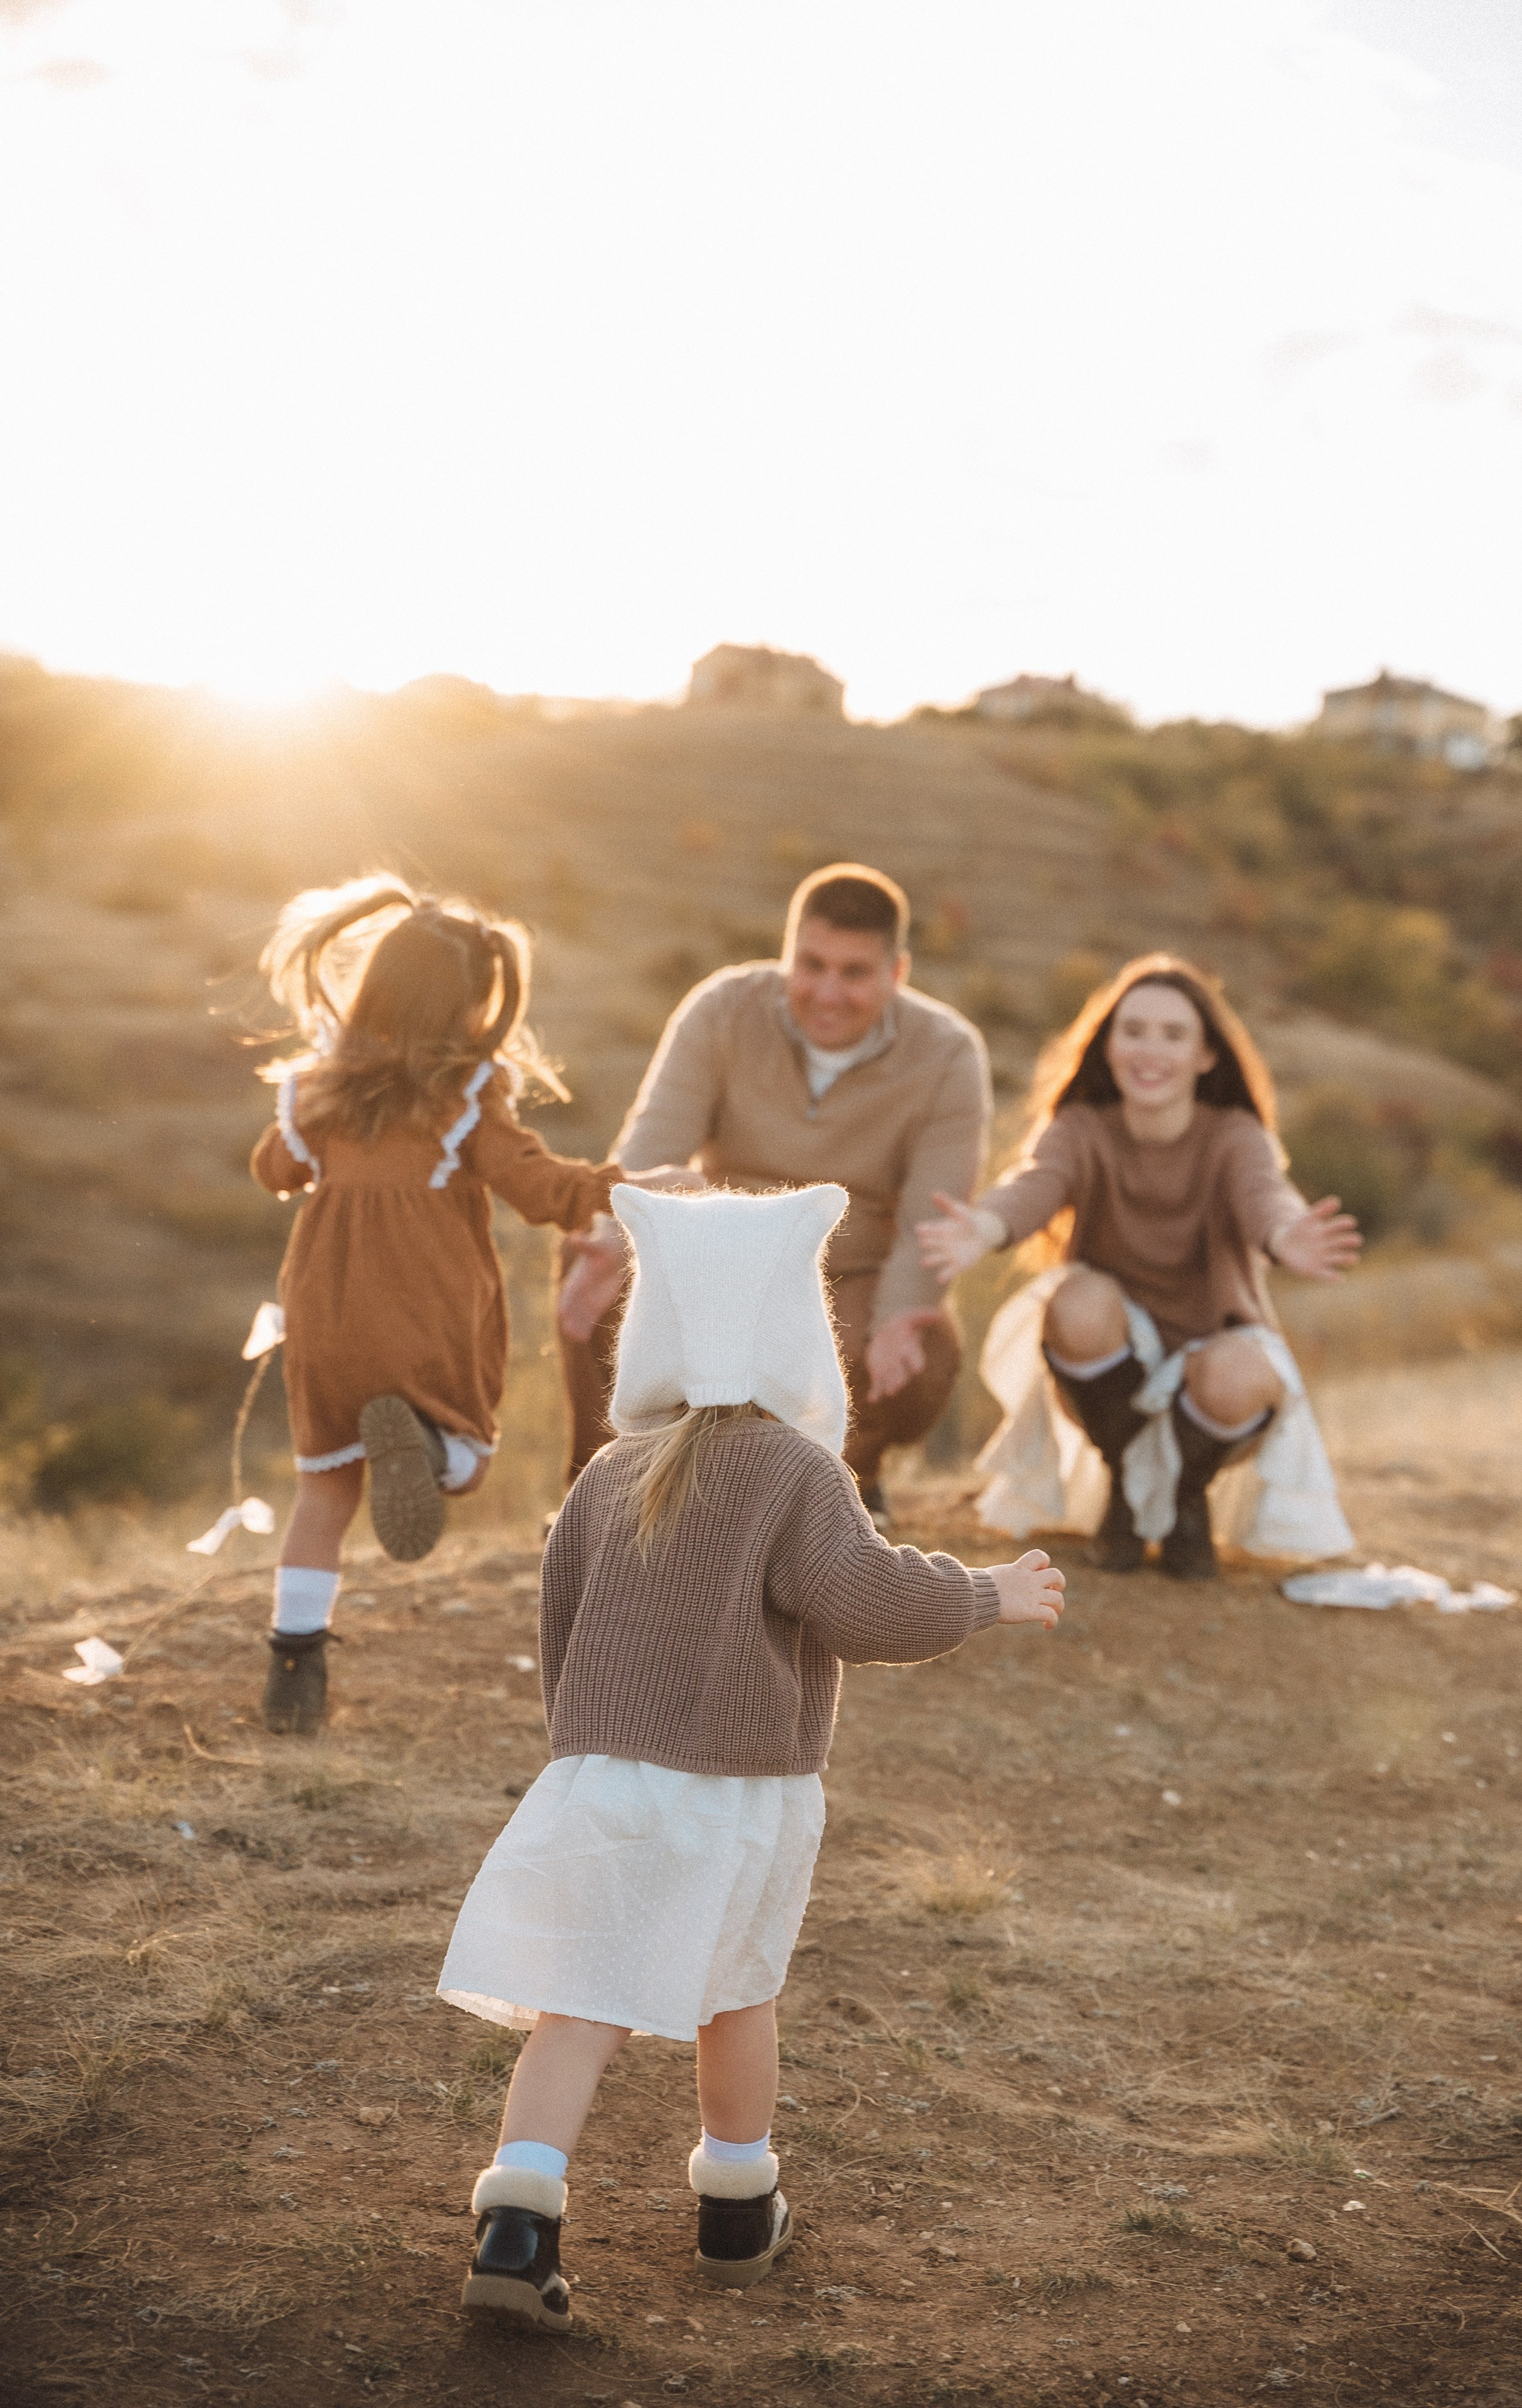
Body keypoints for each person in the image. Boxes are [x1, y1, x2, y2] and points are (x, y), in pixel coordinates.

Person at [436, 1182, 1064, 2325]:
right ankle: (738, 2207)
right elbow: (865, 1603)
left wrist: (581, 1756)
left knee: (577, 2009)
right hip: (735, 1794)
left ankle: (516, 2230)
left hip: (602, 1777)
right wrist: (987, 1593)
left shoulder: (607, 1473)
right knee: (737, 1996)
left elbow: (561, 1622)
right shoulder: (795, 1472)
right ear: (796, 1332)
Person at [249, 876, 684, 1737]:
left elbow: (274, 1168)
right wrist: (634, 1186)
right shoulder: (467, 1095)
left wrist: (319, 1141)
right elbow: (538, 1186)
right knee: (471, 1457)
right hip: (425, 1308)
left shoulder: (316, 1091)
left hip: (329, 1314)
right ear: (469, 1009)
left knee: (324, 1493)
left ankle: (293, 1668)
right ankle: (432, 1447)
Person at [554, 863, 991, 1523]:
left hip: (847, 1271)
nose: (827, 991)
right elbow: (651, 1150)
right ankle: (609, 1493)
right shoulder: (722, 1007)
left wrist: (902, 1314)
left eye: (854, 972)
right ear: (786, 956)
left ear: (896, 973)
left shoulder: (949, 1052)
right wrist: (613, 1238)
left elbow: (930, 1222)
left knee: (923, 1342)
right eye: (810, 965)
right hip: (718, 1253)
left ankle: (840, 1490)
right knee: (590, 1249)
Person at [917, 954, 1360, 1579]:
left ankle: (1181, 1498)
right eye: (1133, 1031)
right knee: (1074, 1300)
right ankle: (1129, 1483)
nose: (1149, 1051)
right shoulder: (1081, 1128)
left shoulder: (1234, 1134)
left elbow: (1266, 1195)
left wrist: (1287, 1236)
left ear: (1207, 1056)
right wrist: (984, 1227)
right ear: (1107, 1045)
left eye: (1173, 1035)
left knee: (1238, 1372)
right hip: (1111, 1355)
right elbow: (1035, 1184)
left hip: (1213, 1363)